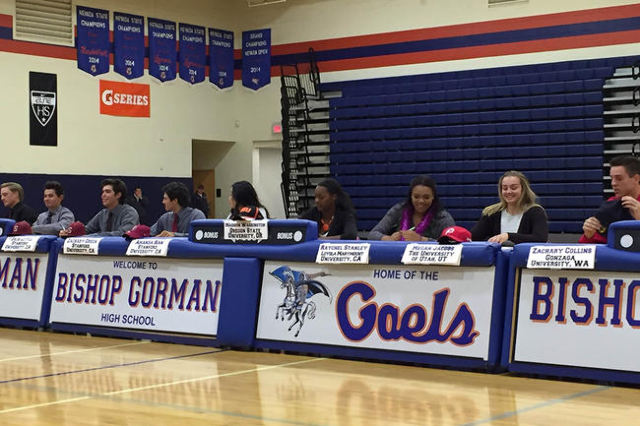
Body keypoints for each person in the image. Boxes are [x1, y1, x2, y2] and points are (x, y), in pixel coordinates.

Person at [368, 175, 454, 241]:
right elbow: (372, 234)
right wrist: (387, 238)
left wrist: (422, 240)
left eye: (426, 197)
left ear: (433, 197)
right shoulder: (398, 210)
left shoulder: (443, 218)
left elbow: (452, 243)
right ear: (411, 196)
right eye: (416, 197)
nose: (421, 201)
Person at [471, 171, 548, 244]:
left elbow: (540, 238)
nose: (509, 191)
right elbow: (473, 237)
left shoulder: (536, 212)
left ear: (523, 189)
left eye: (514, 188)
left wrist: (509, 236)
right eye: (505, 188)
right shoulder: (491, 212)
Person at [581, 155, 640, 244]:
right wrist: (588, 235)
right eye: (611, 178)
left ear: (636, 178)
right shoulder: (610, 207)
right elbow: (588, 250)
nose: (613, 183)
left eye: (619, 179)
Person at [61, 178, 138, 237]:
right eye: (103, 192)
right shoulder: (103, 214)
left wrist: (95, 236)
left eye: (107, 192)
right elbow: (87, 230)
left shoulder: (129, 213)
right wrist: (71, 232)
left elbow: (123, 234)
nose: (103, 195)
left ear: (118, 195)